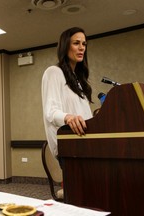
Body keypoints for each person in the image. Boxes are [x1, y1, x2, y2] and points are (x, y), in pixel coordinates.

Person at [42, 27, 93, 159]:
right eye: (76, 43)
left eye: (84, 44)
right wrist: (69, 117)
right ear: (65, 46)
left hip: (87, 146)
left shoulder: (79, 81)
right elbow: (51, 111)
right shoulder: (53, 72)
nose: (81, 47)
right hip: (69, 149)